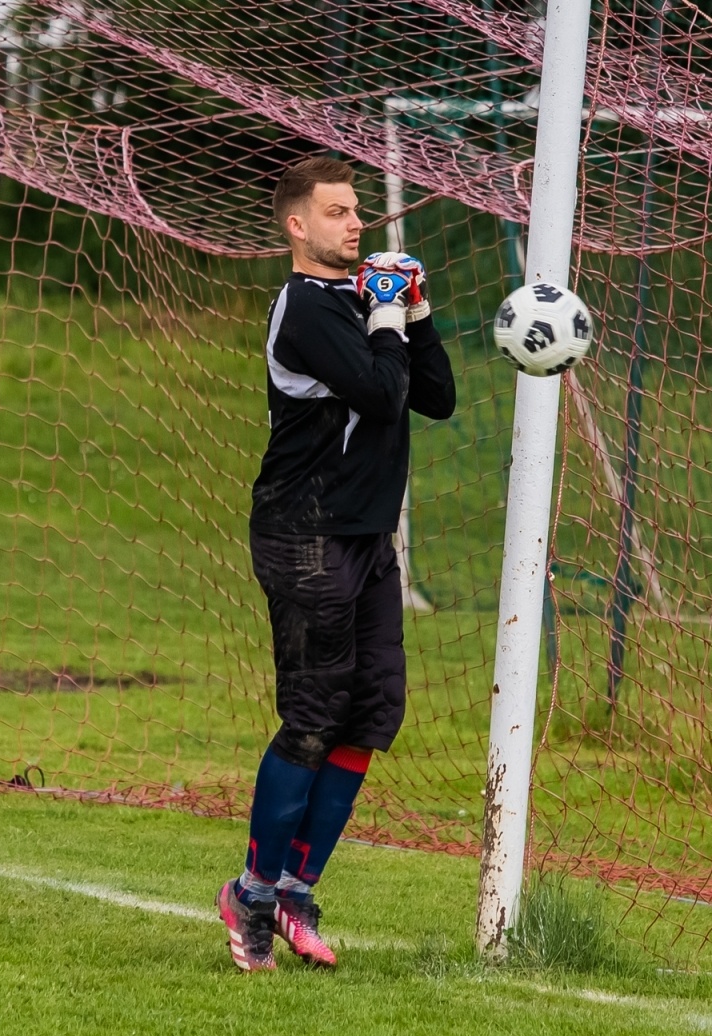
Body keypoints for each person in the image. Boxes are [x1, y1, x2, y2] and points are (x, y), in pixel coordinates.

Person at [217, 155, 456, 972]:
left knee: (370, 714)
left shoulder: (362, 301)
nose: (356, 224)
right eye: (336, 212)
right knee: (314, 717)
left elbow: (436, 397)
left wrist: (415, 311)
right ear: (297, 225)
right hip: (305, 533)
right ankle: (251, 894)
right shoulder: (305, 308)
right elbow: (381, 394)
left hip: (366, 537)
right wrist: (386, 316)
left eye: (357, 210)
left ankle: (295, 890)